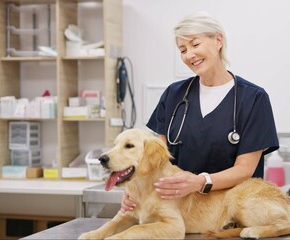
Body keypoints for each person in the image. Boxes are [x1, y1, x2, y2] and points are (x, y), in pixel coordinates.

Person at [120, 11, 279, 213]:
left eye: (195, 45)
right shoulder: (173, 95)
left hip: (234, 211)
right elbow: (157, 161)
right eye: (183, 49)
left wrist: (199, 182)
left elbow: (245, 170)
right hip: (180, 212)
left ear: (218, 40)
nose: (189, 55)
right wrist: (134, 188)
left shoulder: (254, 99)